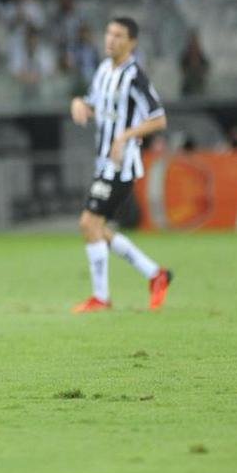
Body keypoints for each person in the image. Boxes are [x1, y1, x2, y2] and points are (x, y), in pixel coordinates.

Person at [68, 17, 173, 313]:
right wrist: (79, 103)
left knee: (88, 223)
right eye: (109, 33)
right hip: (104, 163)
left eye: (118, 35)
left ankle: (101, 298)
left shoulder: (135, 76)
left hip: (121, 166)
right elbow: (94, 105)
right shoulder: (104, 70)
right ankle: (156, 274)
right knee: (96, 228)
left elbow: (159, 119)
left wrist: (125, 136)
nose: (111, 39)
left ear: (132, 42)